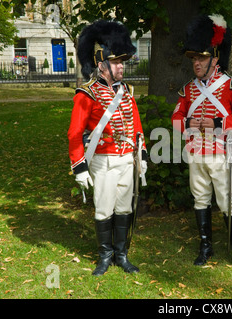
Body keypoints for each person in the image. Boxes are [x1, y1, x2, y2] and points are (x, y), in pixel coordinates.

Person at [68, 20, 147, 276]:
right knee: (104, 208)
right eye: (116, 62)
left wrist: (141, 153)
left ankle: (121, 255)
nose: (122, 66)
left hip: (127, 160)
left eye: (122, 62)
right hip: (102, 160)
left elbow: (137, 125)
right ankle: (105, 256)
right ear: (102, 66)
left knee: (124, 208)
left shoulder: (127, 91)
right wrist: (79, 167)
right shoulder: (87, 94)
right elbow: (74, 133)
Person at [171, 14, 232, 272]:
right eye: (194, 59)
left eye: (202, 58)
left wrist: (218, 123)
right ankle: (205, 246)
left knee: (227, 200)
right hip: (196, 153)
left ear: (214, 59)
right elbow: (175, 118)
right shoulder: (187, 90)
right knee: (200, 199)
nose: (196, 63)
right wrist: (187, 124)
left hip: (220, 153)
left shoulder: (230, 84)